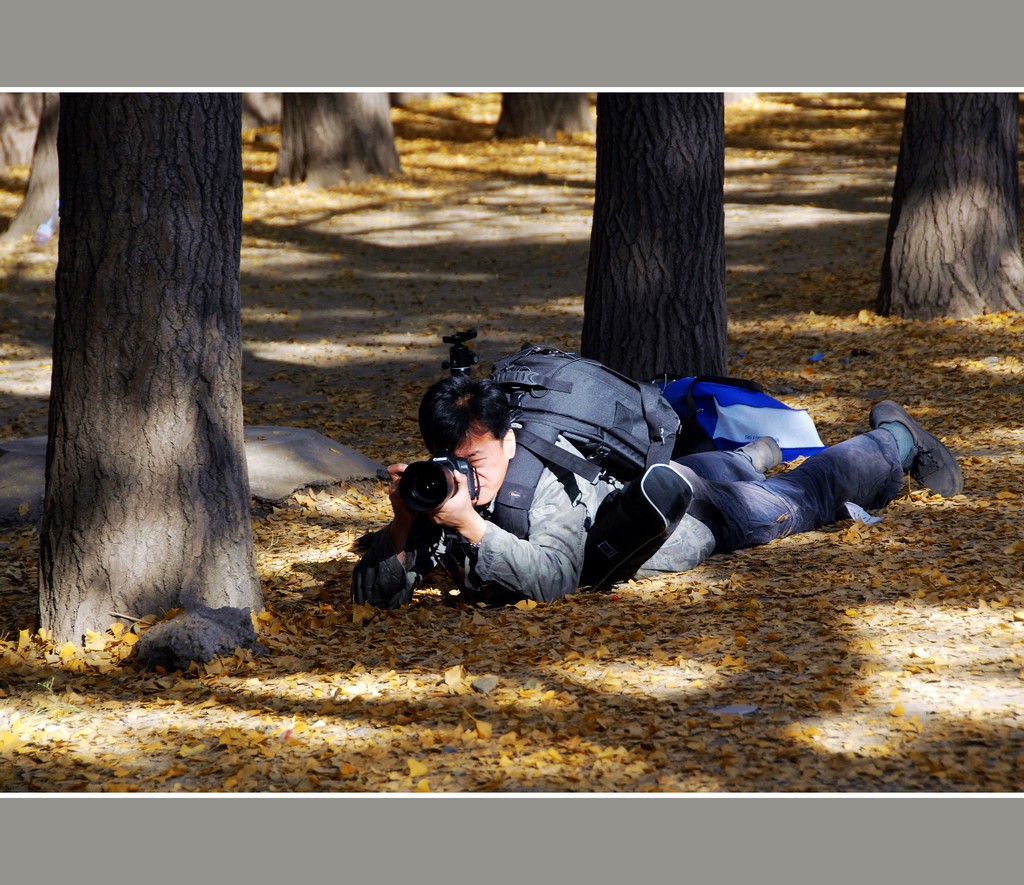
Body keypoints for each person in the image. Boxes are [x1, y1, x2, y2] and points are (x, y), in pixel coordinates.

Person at [350, 373, 963, 609]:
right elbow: (373, 598)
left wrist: (469, 526)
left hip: (688, 523)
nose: (464, 477)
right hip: (665, 487)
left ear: (509, 440)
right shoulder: (442, 488)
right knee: (718, 472)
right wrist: (404, 524)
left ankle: (893, 442)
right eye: (450, 461)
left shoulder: (542, 486)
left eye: (476, 460)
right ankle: (751, 456)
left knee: (807, 497)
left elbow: (556, 579)